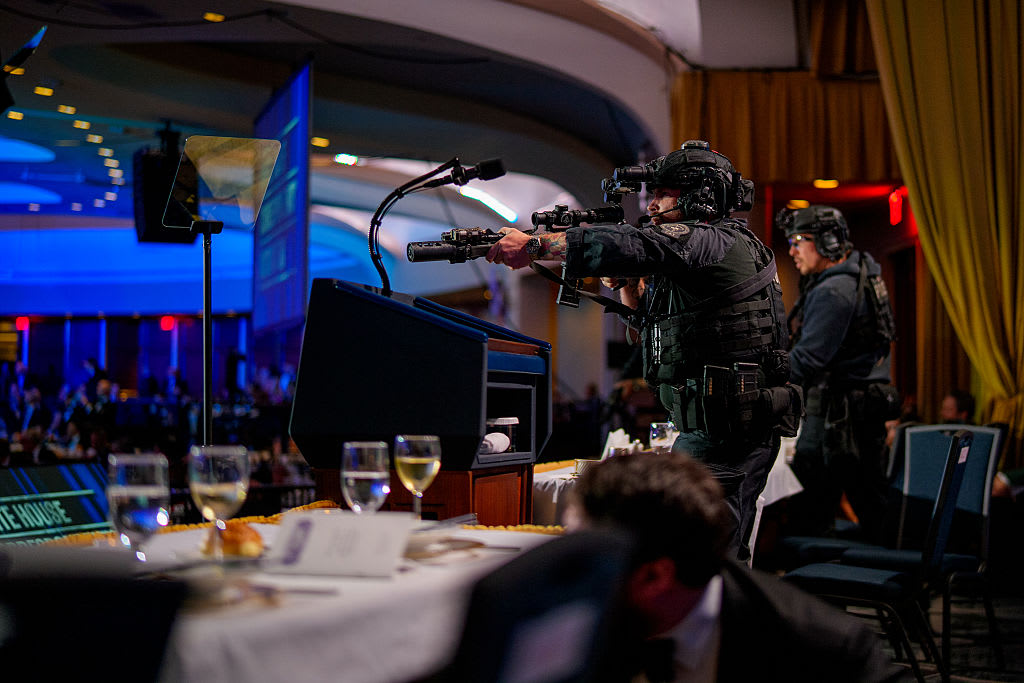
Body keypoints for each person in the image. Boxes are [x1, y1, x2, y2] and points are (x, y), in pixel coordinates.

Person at [487, 140, 800, 558]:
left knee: (707, 558)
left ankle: (723, 622)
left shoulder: (713, 240)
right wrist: (628, 286)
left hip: (728, 431)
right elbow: (653, 329)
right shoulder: (703, 253)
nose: (651, 205)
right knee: (697, 551)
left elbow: (637, 244)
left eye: (661, 194)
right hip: (713, 427)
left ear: (700, 196)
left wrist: (536, 246)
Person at [565, 452, 902, 682]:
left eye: (580, 556)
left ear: (655, 577)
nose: (563, 571)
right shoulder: (560, 629)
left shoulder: (825, 650)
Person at [778, 205, 899, 542]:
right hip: (857, 412)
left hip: (837, 418)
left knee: (808, 514)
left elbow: (806, 360)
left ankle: (811, 587)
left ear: (828, 241)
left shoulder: (834, 291)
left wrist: (763, 385)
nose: (792, 250)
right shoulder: (860, 275)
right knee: (871, 503)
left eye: (798, 240)